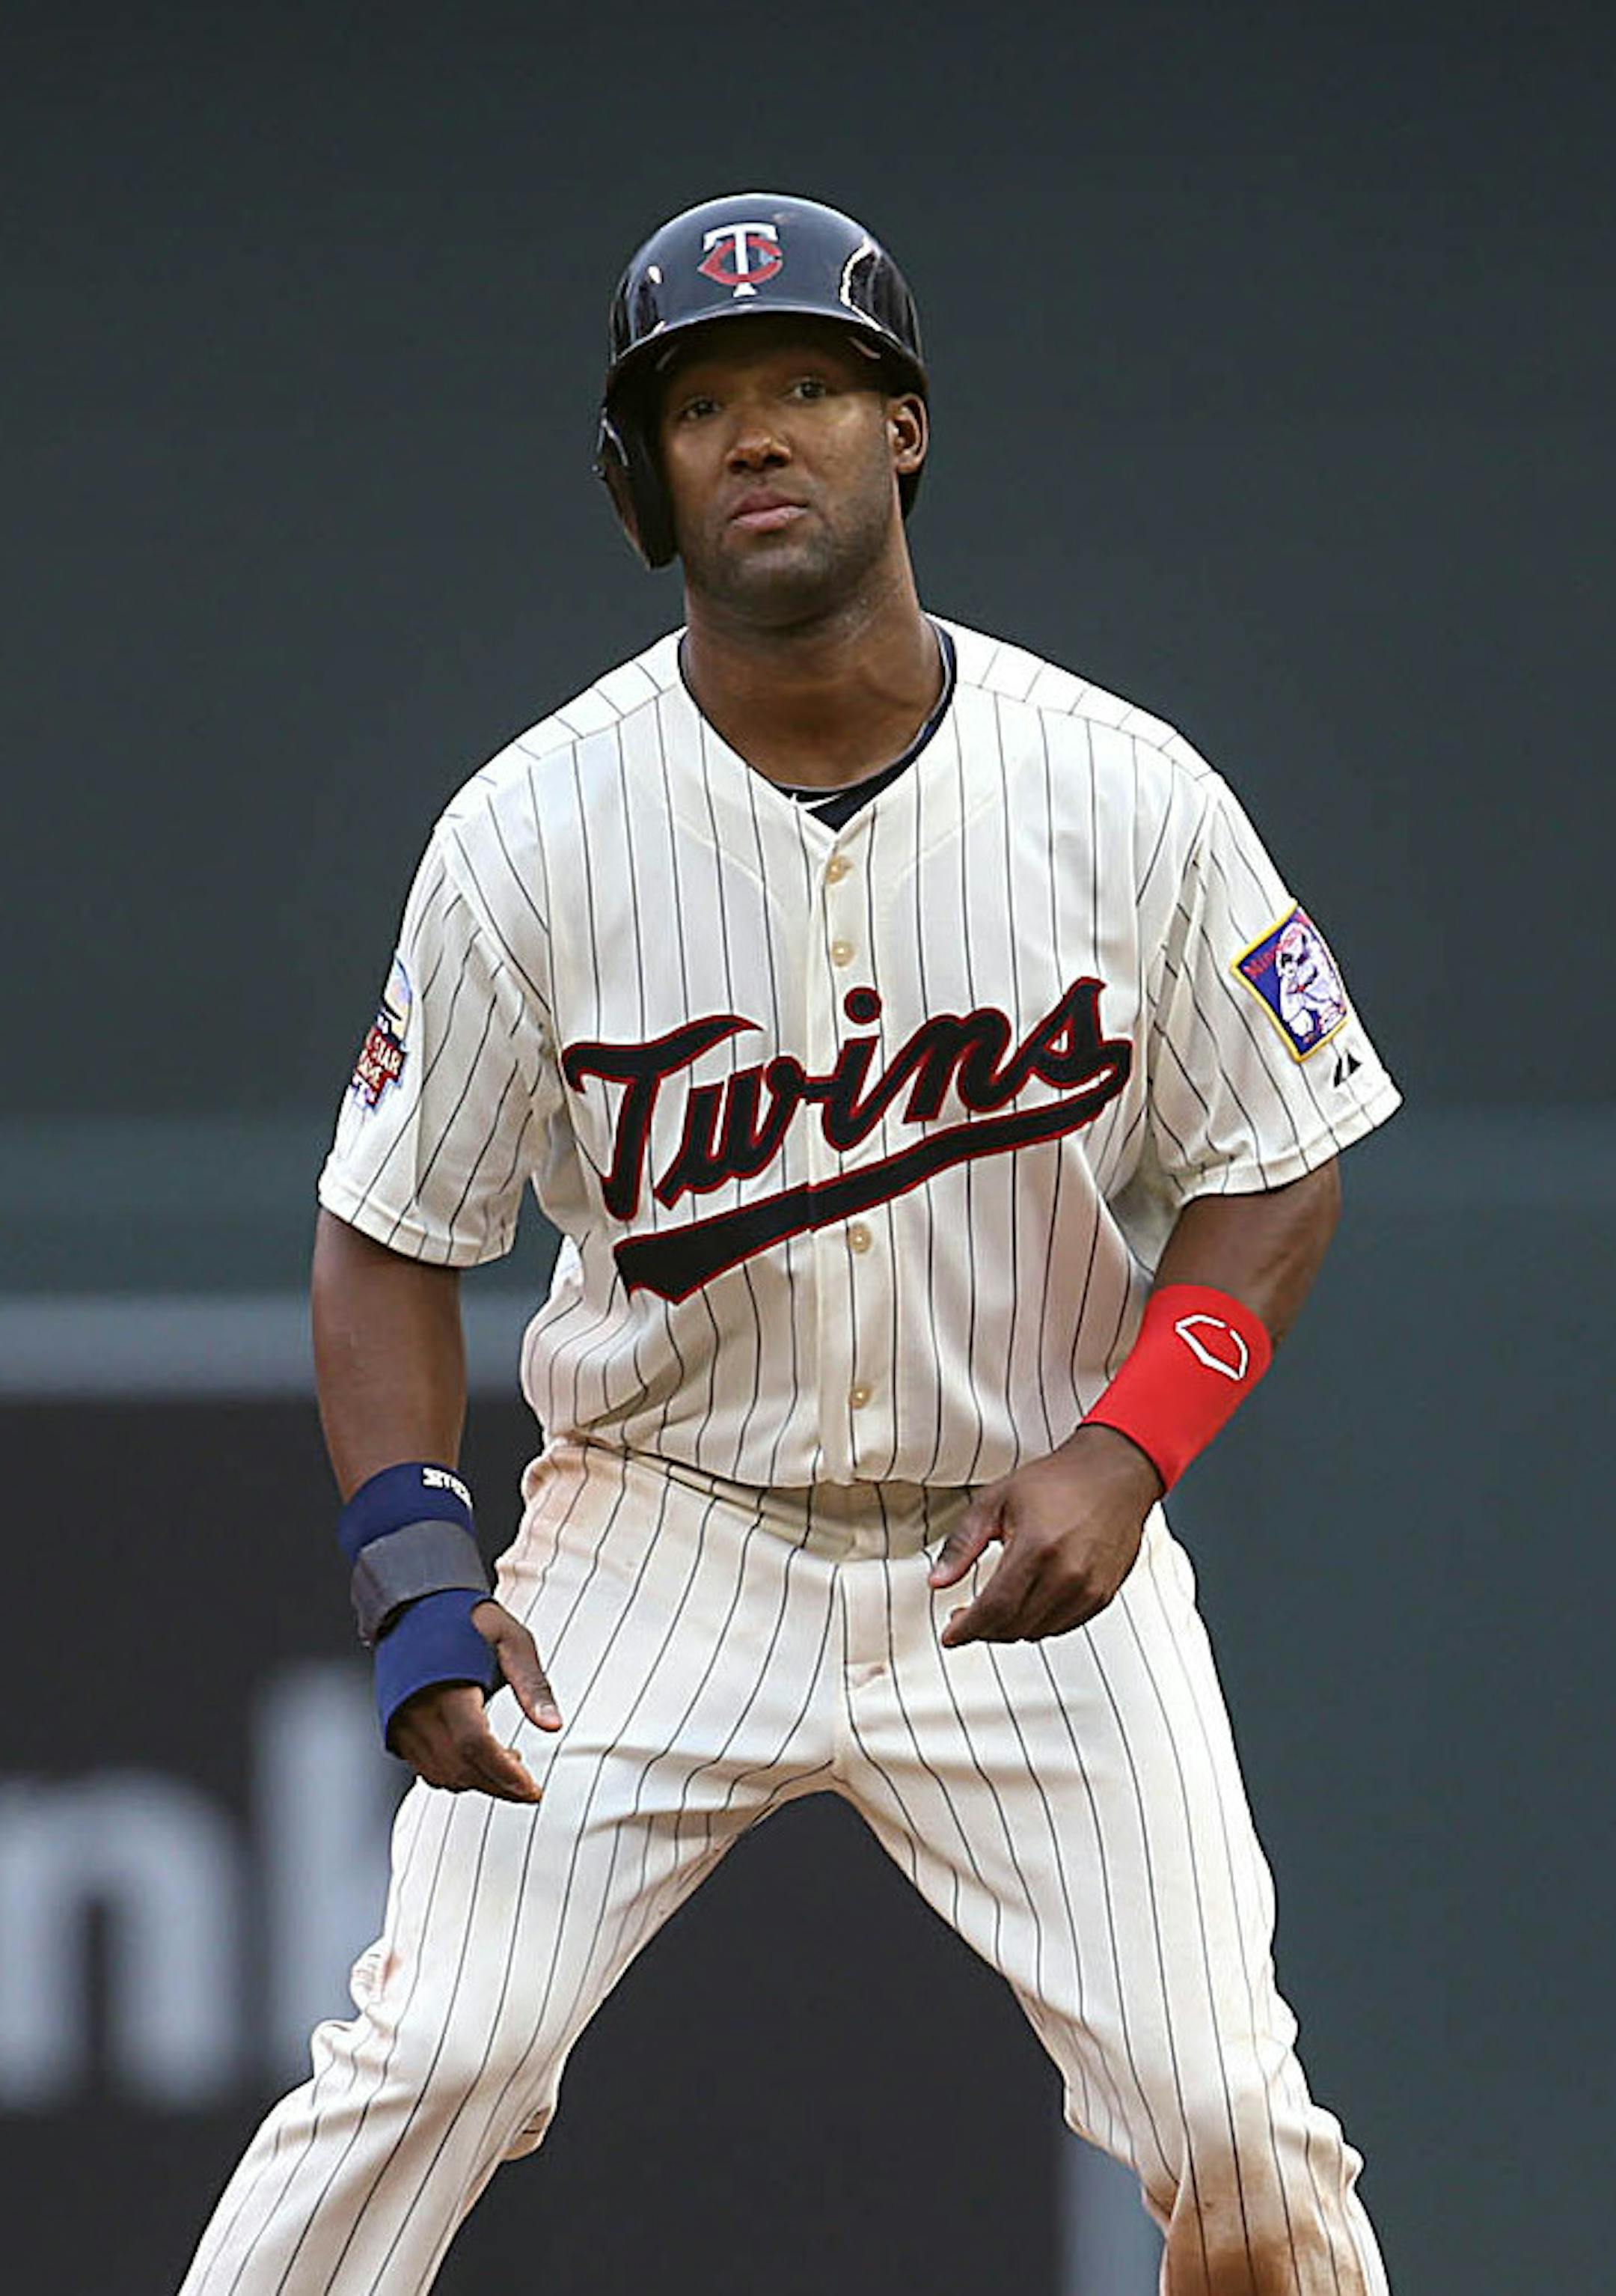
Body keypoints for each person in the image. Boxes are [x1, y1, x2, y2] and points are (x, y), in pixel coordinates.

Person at [180, 192, 1399, 2296]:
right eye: (705, 403)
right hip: (662, 1533)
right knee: (432, 2052)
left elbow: (1284, 1148)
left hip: (1016, 1531)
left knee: (1231, 2119)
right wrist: (412, 1576)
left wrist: (1132, 1448)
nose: (760, 433)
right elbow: (388, 1236)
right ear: (646, 480)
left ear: (902, 432)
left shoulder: (1122, 794)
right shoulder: (531, 835)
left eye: (811, 386)